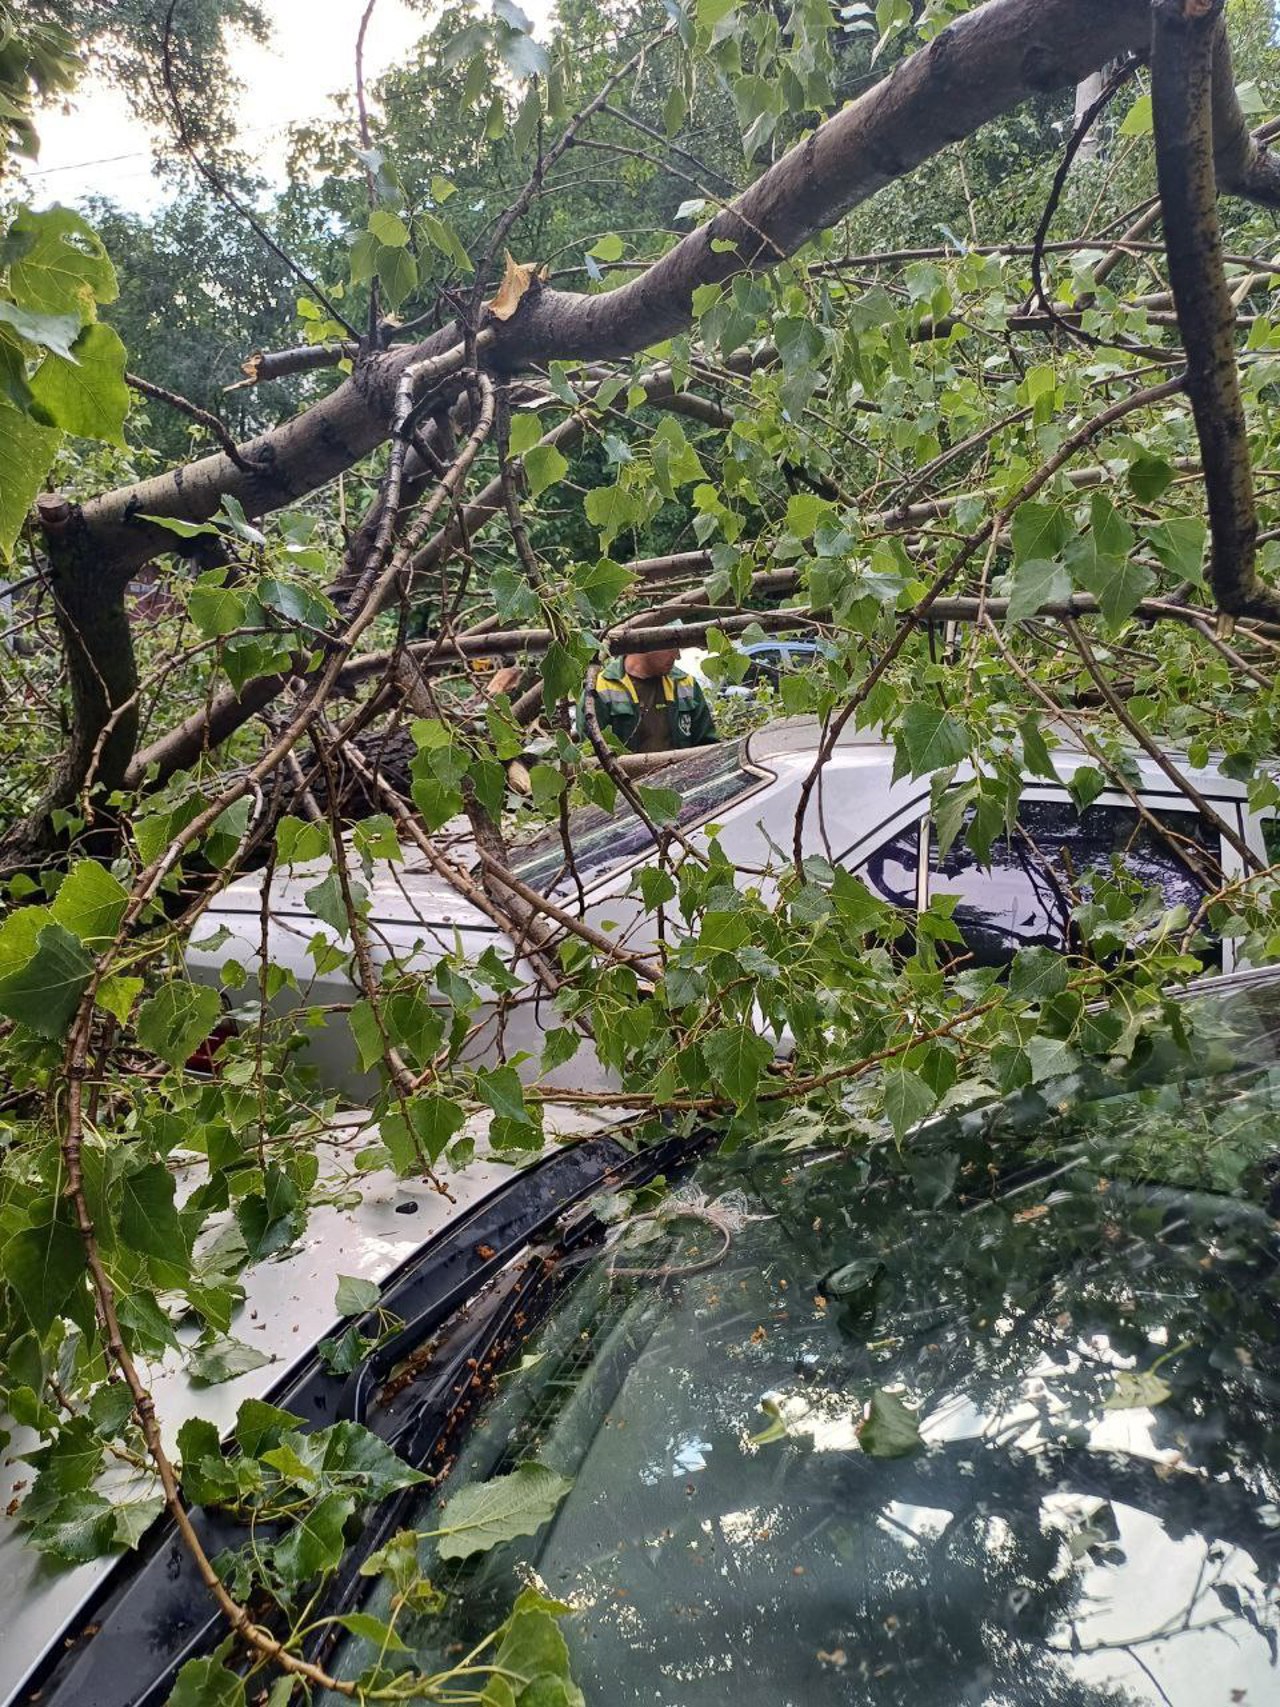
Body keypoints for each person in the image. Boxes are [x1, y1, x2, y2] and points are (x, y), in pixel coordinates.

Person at [580, 643, 717, 754]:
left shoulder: (685, 683)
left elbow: (708, 745)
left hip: (682, 783)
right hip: (626, 785)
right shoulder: (600, 688)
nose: (677, 656)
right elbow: (590, 755)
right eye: (672, 647)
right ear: (643, 645)